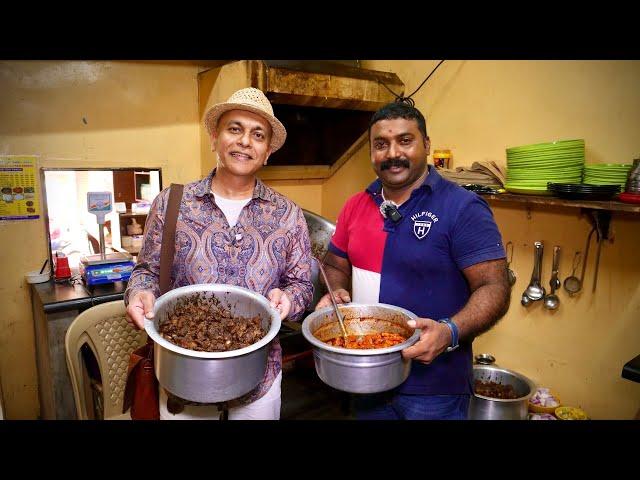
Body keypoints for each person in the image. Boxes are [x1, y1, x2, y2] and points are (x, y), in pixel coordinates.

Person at [125, 87, 313, 420]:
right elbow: (147, 272)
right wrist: (138, 293)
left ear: (267, 151)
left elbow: (302, 284)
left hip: (260, 377)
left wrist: (289, 300)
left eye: (258, 135)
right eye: (234, 129)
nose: (245, 141)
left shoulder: (288, 214)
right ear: (215, 138)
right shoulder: (172, 204)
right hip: (183, 374)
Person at [316, 100, 510, 420]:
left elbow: (494, 286)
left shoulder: (463, 208)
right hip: (369, 379)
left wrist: (449, 331)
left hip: (434, 389)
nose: (393, 153)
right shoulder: (355, 205)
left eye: (405, 141)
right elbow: (335, 264)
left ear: (427, 145)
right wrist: (335, 291)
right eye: (381, 144)